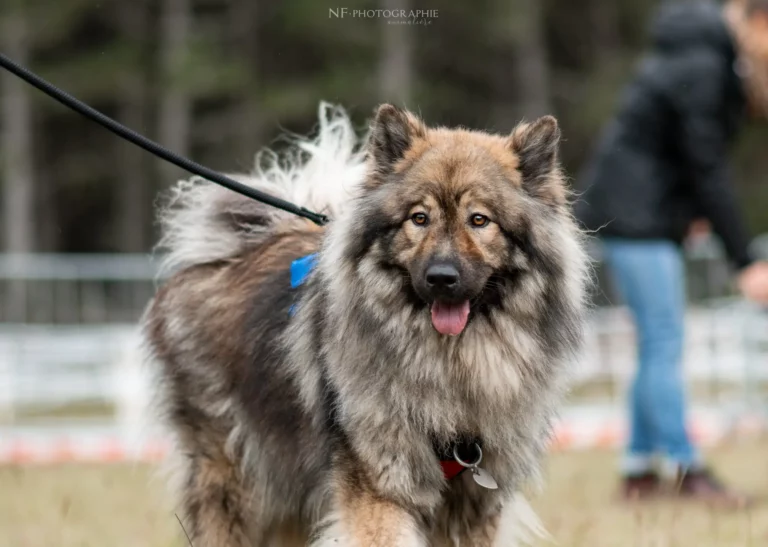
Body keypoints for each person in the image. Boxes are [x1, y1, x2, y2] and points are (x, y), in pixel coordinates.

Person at [575, 0, 768, 505]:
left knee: (655, 342)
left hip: (644, 214)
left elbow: (676, 151)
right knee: (664, 339)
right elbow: (708, 166)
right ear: (758, 20)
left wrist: (687, 213)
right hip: (635, 218)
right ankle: (687, 469)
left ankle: (638, 472)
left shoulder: (703, 55)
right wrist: (745, 259)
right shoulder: (704, 63)